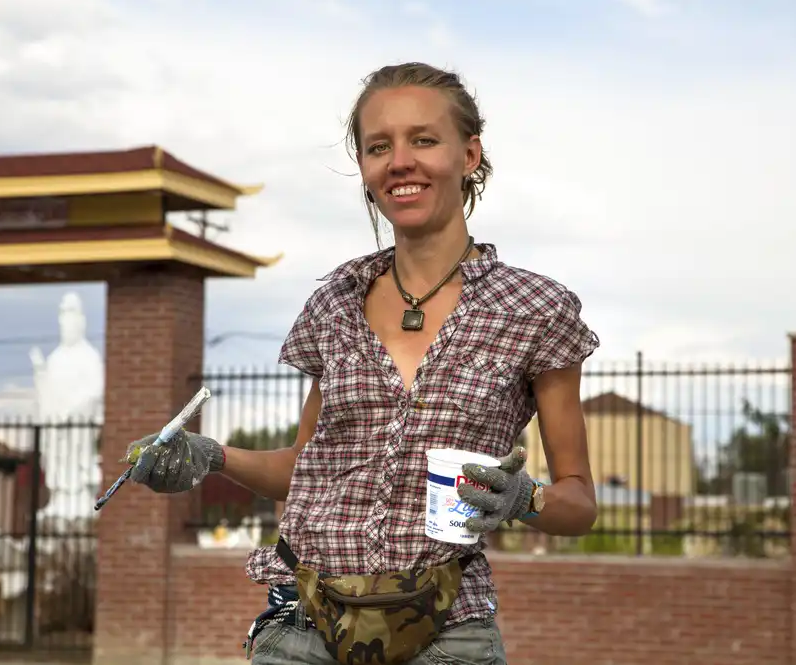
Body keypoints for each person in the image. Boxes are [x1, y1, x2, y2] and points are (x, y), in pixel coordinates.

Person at [124, 61, 600, 665]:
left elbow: (579, 502)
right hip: (302, 627)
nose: (400, 160)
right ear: (367, 168)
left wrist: (522, 499)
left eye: (424, 139)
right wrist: (211, 455)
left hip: (447, 630)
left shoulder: (536, 308)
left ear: (470, 154)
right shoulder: (334, 303)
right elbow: (307, 468)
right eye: (380, 146)